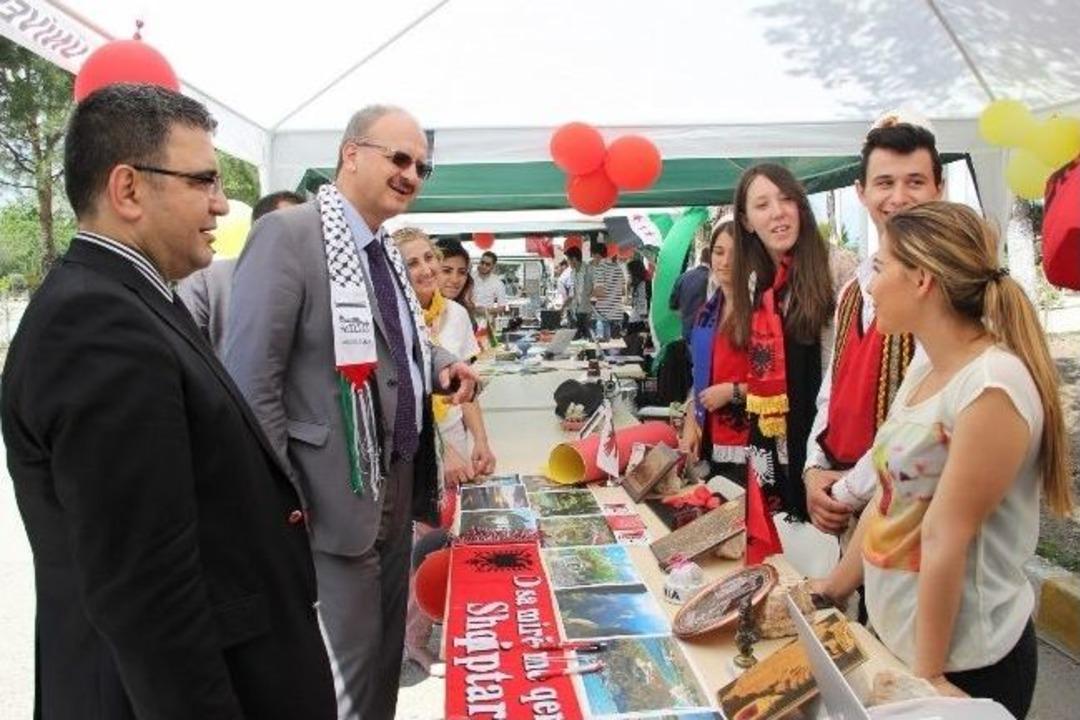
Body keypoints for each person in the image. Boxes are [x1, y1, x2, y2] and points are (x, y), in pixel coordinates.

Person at [0, 84, 335, 719]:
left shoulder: (131, 299)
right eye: (203, 180)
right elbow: (147, 592)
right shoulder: (97, 325)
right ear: (128, 189)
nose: (221, 204)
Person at [224, 104, 478, 720]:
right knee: (345, 674)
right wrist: (285, 498)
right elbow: (251, 381)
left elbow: (401, 343)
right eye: (399, 158)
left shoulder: (384, 248)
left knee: (382, 660)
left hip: (397, 479)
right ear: (351, 154)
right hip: (329, 495)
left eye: (421, 167)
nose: (411, 174)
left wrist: (442, 364)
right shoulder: (289, 236)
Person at [811, 202, 1074, 718]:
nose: (870, 287)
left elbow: (944, 535)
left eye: (880, 267)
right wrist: (834, 587)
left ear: (922, 280)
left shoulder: (992, 385)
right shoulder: (927, 366)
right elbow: (890, 497)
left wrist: (928, 677)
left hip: (962, 666)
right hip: (900, 646)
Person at [804, 120, 941, 535]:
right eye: (884, 183)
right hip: (847, 496)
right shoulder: (854, 287)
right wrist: (814, 469)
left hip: (914, 509)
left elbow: (923, 422)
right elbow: (832, 391)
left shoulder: (947, 289)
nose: (898, 197)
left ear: (939, 189)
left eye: (915, 182)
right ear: (861, 192)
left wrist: (846, 490)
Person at [394, 227, 496, 673]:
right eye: (412, 262)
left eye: (429, 258)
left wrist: (480, 442)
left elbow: (465, 388)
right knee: (422, 545)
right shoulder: (393, 314)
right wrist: (442, 453)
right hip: (417, 450)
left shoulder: (455, 315)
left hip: (453, 442)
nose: (428, 270)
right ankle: (413, 638)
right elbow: (407, 398)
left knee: (448, 541)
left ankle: (442, 621)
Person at [729, 163, 852, 520]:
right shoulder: (756, 282)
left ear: (800, 206)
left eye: (786, 199)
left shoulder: (838, 269)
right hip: (777, 441)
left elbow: (852, 369)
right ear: (747, 221)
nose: (778, 212)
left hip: (831, 445)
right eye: (762, 205)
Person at [177, 189, 304, 355]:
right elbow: (182, 347)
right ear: (257, 233)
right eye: (292, 230)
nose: (301, 241)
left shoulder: (321, 288)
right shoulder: (208, 281)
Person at [680, 221, 750, 480]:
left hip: (750, 444)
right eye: (719, 252)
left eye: (735, 254)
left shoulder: (761, 314)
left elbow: (779, 383)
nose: (726, 261)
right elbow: (699, 377)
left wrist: (732, 391)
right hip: (708, 436)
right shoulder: (707, 313)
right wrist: (690, 425)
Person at [669, 244, 711, 341]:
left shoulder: (683, 277)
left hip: (687, 332)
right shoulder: (714, 279)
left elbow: (673, 305)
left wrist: (686, 315)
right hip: (707, 334)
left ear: (700, 258)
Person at [436, 236, 478, 323]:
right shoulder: (417, 312)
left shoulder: (463, 311)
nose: (455, 280)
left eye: (462, 272)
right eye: (446, 271)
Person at [590, 239, 625, 338]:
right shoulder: (618, 268)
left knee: (603, 345)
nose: (593, 259)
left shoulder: (600, 268)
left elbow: (600, 292)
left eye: (592, 256)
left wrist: (589, 294)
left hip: (603, 315)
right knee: (615, 346)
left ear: (597, 255)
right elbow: (623, 291)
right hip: (617, 314)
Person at [563, 245, 593, 338]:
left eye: (568, 260)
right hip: (576, 311)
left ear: (574, 259)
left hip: (588, 312)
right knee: (577, 340)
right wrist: (563, 307)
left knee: (589, 339)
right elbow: (573, 293)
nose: (568, 263)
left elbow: (595, 290)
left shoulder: (589, 270)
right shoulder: (573, 273)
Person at [625, 257, 650, 335]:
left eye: (629, 273)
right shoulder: (641, 283)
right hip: (638, 319)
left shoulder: (642, 284)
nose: (629, 275)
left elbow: (642, 301)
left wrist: (645, 320)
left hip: (638, 321)